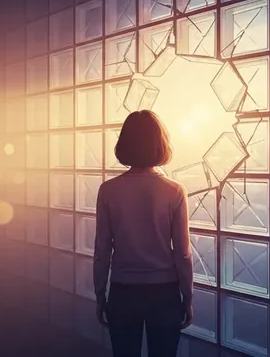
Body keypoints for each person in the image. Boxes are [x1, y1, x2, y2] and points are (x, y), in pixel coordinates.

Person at [93, 110, 194, 357]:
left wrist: (99, 293)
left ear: (124, 143)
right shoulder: (174, 191)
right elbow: (182, 254)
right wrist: (188, 297)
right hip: (165, 292)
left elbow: (102, 251)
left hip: (122, 291)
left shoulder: (108, 190)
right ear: (160, 144)